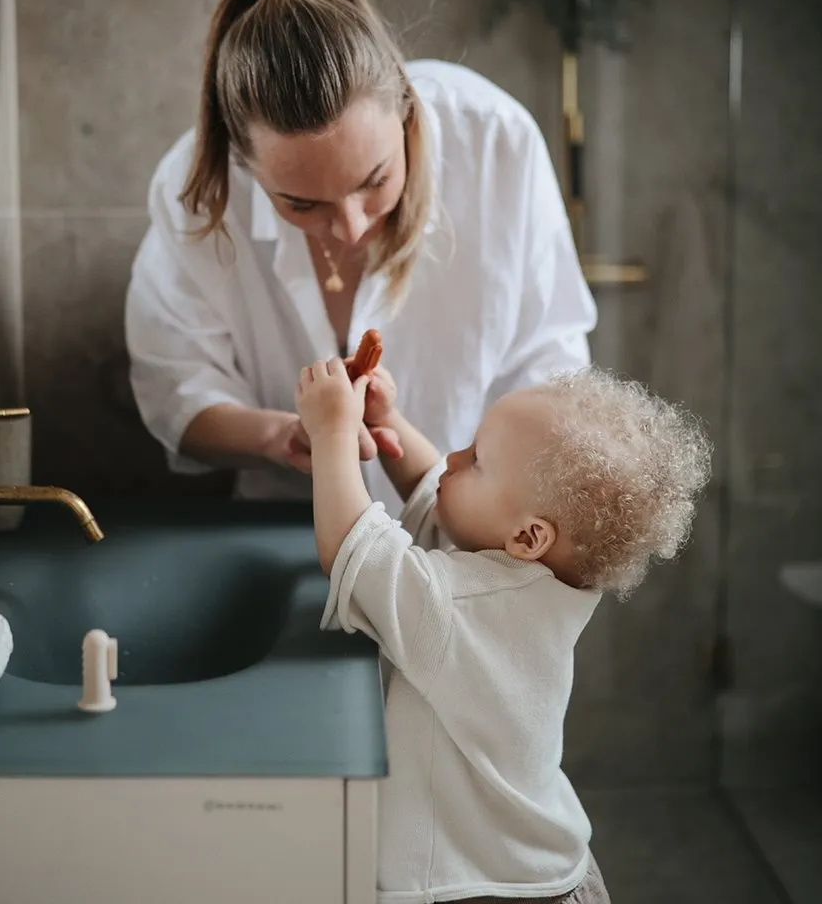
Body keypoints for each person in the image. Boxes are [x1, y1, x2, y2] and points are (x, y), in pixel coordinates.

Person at [125, 0, 597, 513]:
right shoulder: (198, 192)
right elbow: (174, 387)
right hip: (286, 525)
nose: (350, 228)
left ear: (406, 113)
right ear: (245, 165)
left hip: (477, 532)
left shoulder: (497, 143)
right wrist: (285, 437)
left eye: (374, 180)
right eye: (301, 203)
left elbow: (553, 366)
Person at [294, 357, 713, 903]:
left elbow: (355, 552)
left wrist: (329, 432)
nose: (452, 457)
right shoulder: (532, 585)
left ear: (529, 536)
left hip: (478, 888)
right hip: (537, 869)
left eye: (476, 460)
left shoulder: (465, 609)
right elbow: (437, 494)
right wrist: (387, 418)